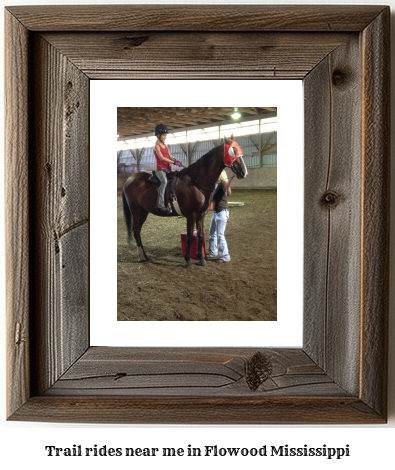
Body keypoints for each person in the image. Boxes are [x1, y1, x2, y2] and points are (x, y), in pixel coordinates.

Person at [153, 124, 182, 213]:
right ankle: (160, 204)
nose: (165, 137)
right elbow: (161, 158)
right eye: (164, 135)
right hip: (160, 169)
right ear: (158, 135)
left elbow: (170, 156)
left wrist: (177, 161)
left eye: (166, 135)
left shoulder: (166, 146)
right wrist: (172, 162)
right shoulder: (156, 145)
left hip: (168, 169)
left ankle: (171, 202)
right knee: (164, 181)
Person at [208, 169, 231, 263]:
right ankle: (213, 252)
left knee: (220, 235)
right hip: (216, 212)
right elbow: (213, 197)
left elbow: (228, 193)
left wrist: (227, 184)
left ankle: (225, 256)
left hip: (222, 212)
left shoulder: (222, 185)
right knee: (212, 232)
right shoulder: (215, 185)